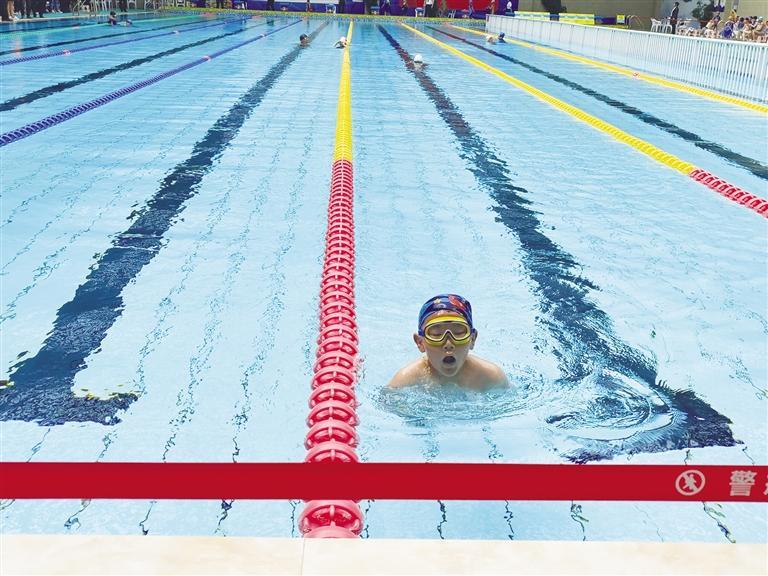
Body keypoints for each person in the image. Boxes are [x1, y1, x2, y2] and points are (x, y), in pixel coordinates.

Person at [387, 294, 509, 390]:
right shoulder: (404, 382)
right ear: (420, 342)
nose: (448, 344)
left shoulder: (492, 377)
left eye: (459, 333)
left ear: (472, 339)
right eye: (436, 334)